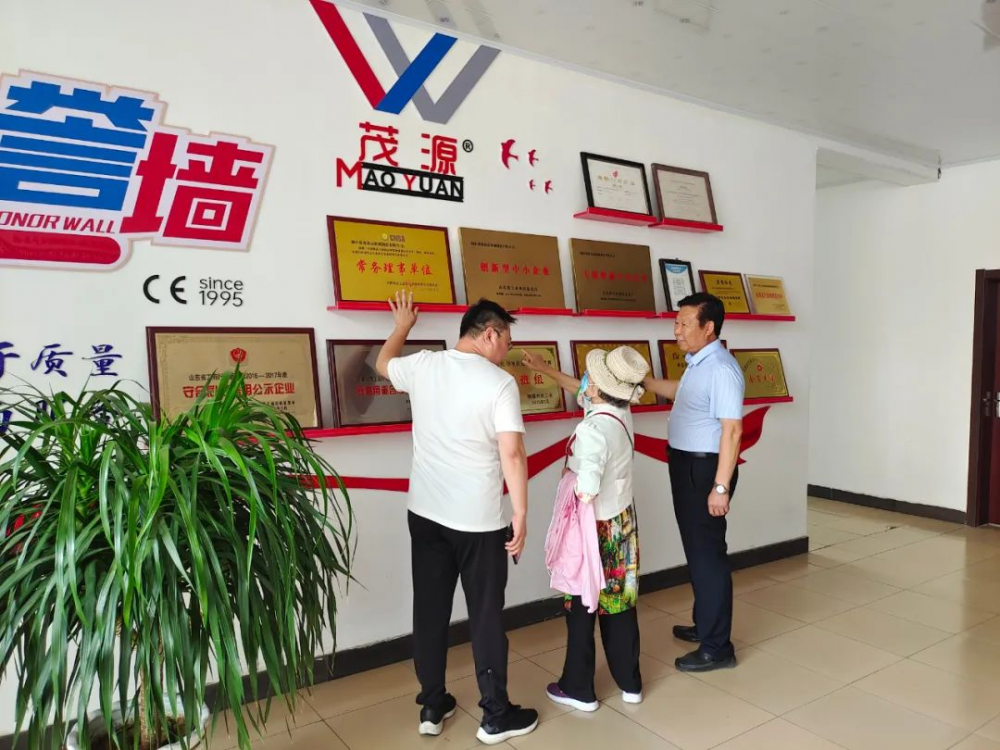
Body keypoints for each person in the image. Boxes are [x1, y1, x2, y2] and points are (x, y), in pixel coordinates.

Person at [376, 292, 539, 745]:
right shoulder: (499, 383)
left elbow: (383, 364)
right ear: (490, 334)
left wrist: (402, 327)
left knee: (429, 610)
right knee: (485, 615)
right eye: (507, 340)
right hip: (477, 522)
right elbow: (512, 452)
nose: (507, 350)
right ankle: (495, 715)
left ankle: (432, 705)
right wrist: (521, 512)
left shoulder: (425, 365)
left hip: (425, 514)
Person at [523, 345, 649, 710]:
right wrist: (544, 368)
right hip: (622, 521)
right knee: (620, 602)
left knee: (581, 605)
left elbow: (588, 487)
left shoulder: (592, 428)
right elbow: (579, 392)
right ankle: (630, 683)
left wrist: (572, 479)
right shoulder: (621, 413)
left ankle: (579, 688)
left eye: (589, 378)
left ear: (597, 388)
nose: (583, 382)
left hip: (593, 529)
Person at [642, 292, 744, 672]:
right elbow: (682, 393)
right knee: (697, 554)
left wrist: (720, 487)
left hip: (705, 472)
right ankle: (705, 625)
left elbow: (732, 431)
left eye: (685, 324)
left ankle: (718, 648)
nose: (677, 331)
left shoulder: (721, 368)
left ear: (708, 327)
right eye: (676, 323)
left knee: (708, 557)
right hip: (687, 466)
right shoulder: (698, 364)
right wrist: (645, 381)